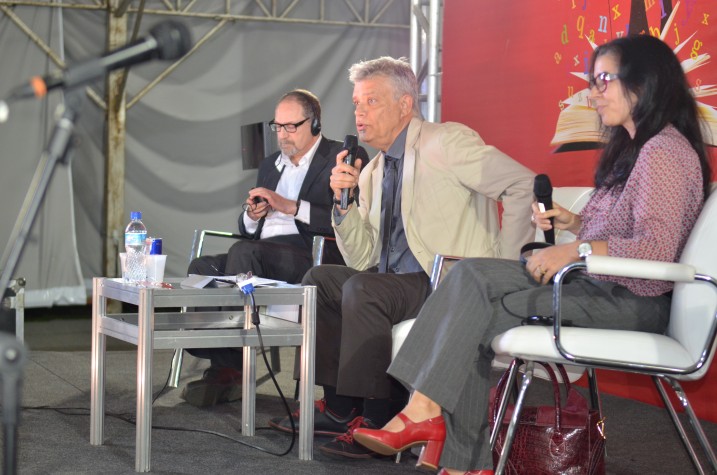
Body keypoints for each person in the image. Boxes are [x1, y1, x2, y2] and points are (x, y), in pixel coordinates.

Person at [351, 35, 713, 475]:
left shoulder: (664, 152)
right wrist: (576, 224)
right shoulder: (635, 151)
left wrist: (573, 250)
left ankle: (440, 432)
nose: (592, 93)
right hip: (603, 285)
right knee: (472, 295)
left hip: (635, 301)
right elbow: (630, 233)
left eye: (603, 80)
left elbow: (655, 253)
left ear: (645, 82)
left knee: (473, 286)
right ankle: (453, 450)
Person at [268, 56, 536, 458]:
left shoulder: (446, 141)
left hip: (446, 282)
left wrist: (504, 268)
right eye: (357, 103)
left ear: (405, 105)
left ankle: (379, 418)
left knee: (366, 289)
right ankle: (342, 408)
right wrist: (344, 203)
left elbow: (523, 185)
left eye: (371, 102)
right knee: (320, 279)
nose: (359, 112)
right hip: (396, 281)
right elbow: (361, 256)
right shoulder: (375, 169)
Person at [181, 89, 353, 407]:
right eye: (278, 126)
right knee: (202, 267)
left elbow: (346, 221)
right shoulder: (270, 165)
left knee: (245, 254)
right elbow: (246, 232)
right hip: (260, 251)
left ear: (315, 123)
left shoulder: (339, 157)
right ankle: (226, 360)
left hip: (312, 253)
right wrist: (251, 214)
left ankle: (232, 362)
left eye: (292, 126)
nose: (283, 135)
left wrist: (290, 206)